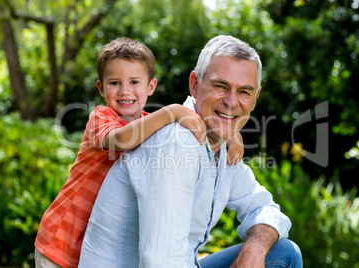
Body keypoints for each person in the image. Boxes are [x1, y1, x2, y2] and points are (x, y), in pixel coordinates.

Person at [79, 35, 303, 267]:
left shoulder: (222, 146)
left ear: (255, 97)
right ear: (194, 84)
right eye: (220, 86)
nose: (231, 102)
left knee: (283, 253)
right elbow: (160, 260)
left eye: (244, 92)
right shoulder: (175, 143)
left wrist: (255, 248)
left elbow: (263, 207)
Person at [34, 37, 245, 268]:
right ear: (101, 88)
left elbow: (198, 123)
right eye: (114, 83)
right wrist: (173, 111)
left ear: (150, 87)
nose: (125, 91)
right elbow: (122, 139)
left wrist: (229, 133)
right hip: (60, 243)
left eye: (134, 81)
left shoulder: (150, 125)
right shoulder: (101, 117)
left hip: (91, 246)